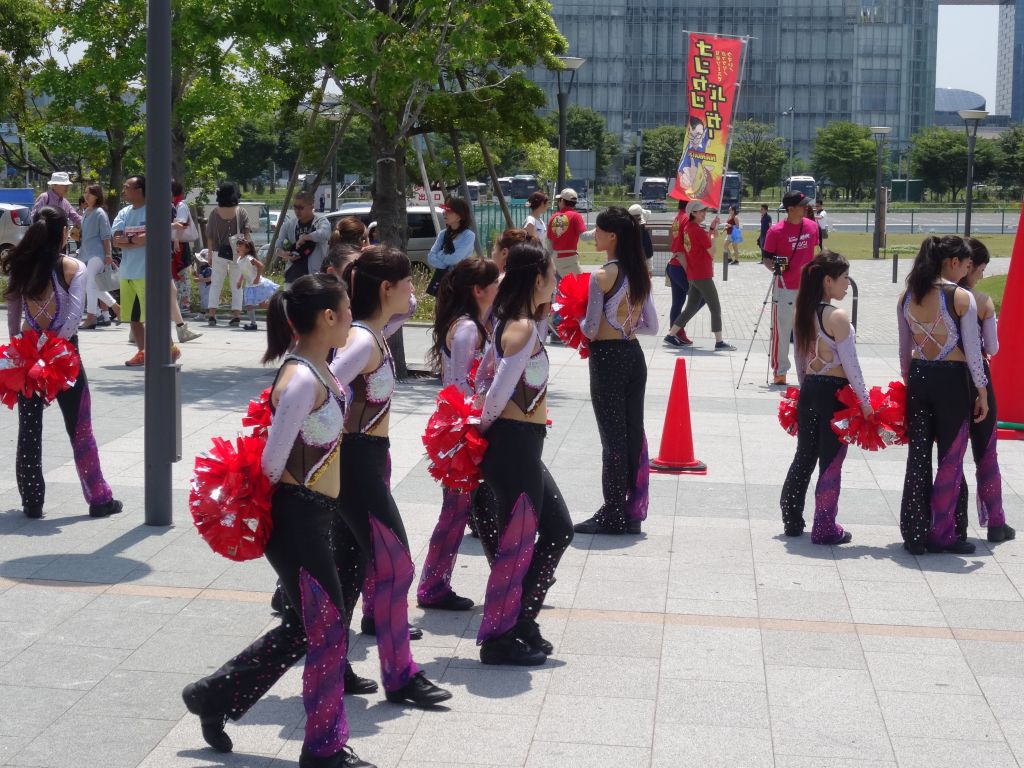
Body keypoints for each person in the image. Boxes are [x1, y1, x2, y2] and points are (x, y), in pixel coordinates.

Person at [181, 274, 377, 768]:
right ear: (327, 317)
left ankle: (212, 696)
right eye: (348, 308)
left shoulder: (321, 368)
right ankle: (324, 749)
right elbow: (271, 461)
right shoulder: (302, 380)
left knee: (302, 627)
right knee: (329, 629)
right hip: (297, 517)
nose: (353, 316)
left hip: (318, 513)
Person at [329, 246, 452, 707]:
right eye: (406, 282)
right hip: (356, 461)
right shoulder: (362, 339)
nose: (414, 289)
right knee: (395, 563)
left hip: (360, 459)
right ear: (386, 288)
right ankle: (400, 675)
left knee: (346, 569)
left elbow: (406, 310)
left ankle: (332, 662)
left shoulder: (372, 331)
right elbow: (320, 382)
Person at [474, 241, 573, 666]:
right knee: (522, 542)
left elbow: (482, 375)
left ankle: (521, 619)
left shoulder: (513, 321)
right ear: (537, 279)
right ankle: (501, 637)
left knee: (557, 528)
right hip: (512, 443)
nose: (558, 281)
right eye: (553, 275)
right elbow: (494, 393)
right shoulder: (521, 327)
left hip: (521, 444)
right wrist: (475, 434)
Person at [1, 207, 122, 520]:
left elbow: (14, 321)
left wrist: (27, 348)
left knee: (29, 429)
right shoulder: (73, 267)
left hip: (27, 358)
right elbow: (71, 318)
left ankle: (32, 502)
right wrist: (53, 348)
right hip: (64, 357)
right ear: (64, 234)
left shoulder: (20, 267)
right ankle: (98, 499)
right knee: (80, 427)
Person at [417, 257, 500, 610]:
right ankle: (432, 586)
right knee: (456, 510)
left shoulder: (478, 324)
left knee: (471, 509)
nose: (500, 288)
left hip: (467, 427)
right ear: (479, 291)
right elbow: (460, 385)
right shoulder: (466, 328)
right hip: (460, 431)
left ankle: (509, 575)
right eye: (495, 283)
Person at [898, 235, 988, 556]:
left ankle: (914, 533)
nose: (967, 269)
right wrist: (982, 392)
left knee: (918, 458)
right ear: (952, 262)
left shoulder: (908, 296)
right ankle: (945, 533)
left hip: (919, 379)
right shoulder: (961, 297)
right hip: (952, 381)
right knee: (950, 457)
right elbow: (975, 354)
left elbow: (904, 355)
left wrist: (911, 386)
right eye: (965, 264)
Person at [573, 207, 658, 536]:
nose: (594, 235)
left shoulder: (602, 276)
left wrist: (572, 318)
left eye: (598, 230)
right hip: (634, 354)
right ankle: (631, 509)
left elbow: (591, 329)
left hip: (607, 357)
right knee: (632, 431)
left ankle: (611, 512)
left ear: (612, 236)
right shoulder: (639, 273)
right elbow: (651, 325)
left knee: (613, 439)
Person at [780, 251, 868, 544]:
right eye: (844, 277)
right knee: (831, 459)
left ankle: (791, 517)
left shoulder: (802, 312)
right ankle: (824, 524)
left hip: (810, 390)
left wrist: (803, 392)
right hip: (835, 394)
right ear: (828, 280)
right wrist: (865, 403)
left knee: (804, 455)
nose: (847, 284)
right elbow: (852, 366)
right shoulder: (837, 316)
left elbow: (799, 358)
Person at [957, 238, 1014, 544]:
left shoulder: (940, 296)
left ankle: (955, 523)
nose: (980, 275)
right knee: (985, 453)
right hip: (979, 381)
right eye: (980, 269)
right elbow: (991, 346)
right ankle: (995, 522)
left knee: (951, 456)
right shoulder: (980, 301)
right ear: (970, 266)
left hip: (949, 379)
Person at [112, 175, 175, 366]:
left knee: (153, 317)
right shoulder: (124, 212)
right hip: (128, 272)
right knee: (133, 317)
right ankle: (142, 352)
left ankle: (170, 349)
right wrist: (134, 240)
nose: (124, 191)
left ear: (139, 189)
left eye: (127, 187)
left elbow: (149, 236)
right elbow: (116, 239)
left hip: (148, 273)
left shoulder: (154, 211)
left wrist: (129, 240)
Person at [761, 191, 820, 385]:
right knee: (782, 329)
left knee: (812, 329)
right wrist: (777, 267)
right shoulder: (775, 231)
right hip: (784, 287)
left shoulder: (812, 226)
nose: (806, 207)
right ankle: (780, 370)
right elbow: (767, 258)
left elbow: (817, 251)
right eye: (802, 205)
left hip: (809, 288)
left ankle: (814, 367)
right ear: (790, 209)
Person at [663, 201, 737, 351]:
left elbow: (699, 244)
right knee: (715, 307)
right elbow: (712, 252)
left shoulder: (688, 229)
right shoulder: (697, 230)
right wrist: (713, 236)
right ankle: (719, 342)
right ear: (693, 213)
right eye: (700, 211)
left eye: (704, 210)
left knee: (690, 308)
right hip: (703, 274)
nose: (704, 213)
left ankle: (671, 335)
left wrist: (710, 229)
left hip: (693, 274)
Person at [205, 182, 251, 327]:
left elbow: (210, 235)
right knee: (237, 284)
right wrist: (248, 253)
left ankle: (212, 315)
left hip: (219, 252)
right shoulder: (241, 212)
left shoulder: (215, 212)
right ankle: (236, 315)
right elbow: (247, 234)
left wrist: (210, 254)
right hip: (237, 253)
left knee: (216, 283)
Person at [78, 183, 121, 330]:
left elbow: (105, 235)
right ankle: (115, 307)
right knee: (91, 284)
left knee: (90, 284)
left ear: (97, 196)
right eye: (85, 193)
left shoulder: (100, 213)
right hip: (85, 253)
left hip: (98, 253)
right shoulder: (86, 212)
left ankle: (91, 317)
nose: (86, 196)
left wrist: (108, 254)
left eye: (90, 193)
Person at [171, 180, 203, 343]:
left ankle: (184, 305)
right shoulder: (173, 204)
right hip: (175, 243)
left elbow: (181, 224)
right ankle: (178, 308)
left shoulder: (180, 204)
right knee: (176, 277)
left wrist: (176, 239)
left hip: (180, 244)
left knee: (182, 274)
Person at [278, 190, 331, 287]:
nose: (297, 211)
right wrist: (285, 254)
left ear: (311, 206)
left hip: (314, 277)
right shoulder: (289, 225)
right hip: (292, 277)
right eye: (295, 207)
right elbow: (278, 246)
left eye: (301, 207)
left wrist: (305, 238)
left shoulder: (321, 222)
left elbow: (325, 234)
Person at [665, 199, 695, 346]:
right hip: (681, 267)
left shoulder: (678, 217)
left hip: (673, 266)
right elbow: (682, 249)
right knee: (699, 298)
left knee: (677, 303)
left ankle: (673, 333)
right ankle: (677, 330)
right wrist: (689, 271)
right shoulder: (686, 219)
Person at [234, 237, 278, 331]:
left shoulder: (249, 258)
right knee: (248, 305)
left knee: (262, 305)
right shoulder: (239, 260)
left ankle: (278, 308)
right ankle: (253, 324)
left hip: (258, 284)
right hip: (249, 285)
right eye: (237, 245)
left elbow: (261, 266)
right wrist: (240, 281)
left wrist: (257, 277)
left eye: (240, 245)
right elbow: (244, 271)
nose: (237, 247)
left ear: (247, 249)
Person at [426, 196, 476, 274]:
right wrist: (446, 264)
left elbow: (455, 259)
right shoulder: (443, 234)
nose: (444, 213)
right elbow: (430, 257)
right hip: (443, 278)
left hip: (461, 277)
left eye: (449, 211)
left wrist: (439, 255)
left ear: (459, 216)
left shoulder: (469, 235)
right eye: (444, 210)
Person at [546, 188, 586, 277]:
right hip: (570, 259)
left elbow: (549, 242)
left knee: (559, 288)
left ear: (562, 201)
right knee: (578, 287)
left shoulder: (553, 217)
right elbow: (584, 236)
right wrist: (597, 231)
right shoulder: (576, 216)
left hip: (556, 259)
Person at [628, 203, 654, 271]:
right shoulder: (643, 232)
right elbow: (648, 252)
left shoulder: (625, 231)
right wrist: (650, 269)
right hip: (641, 266)